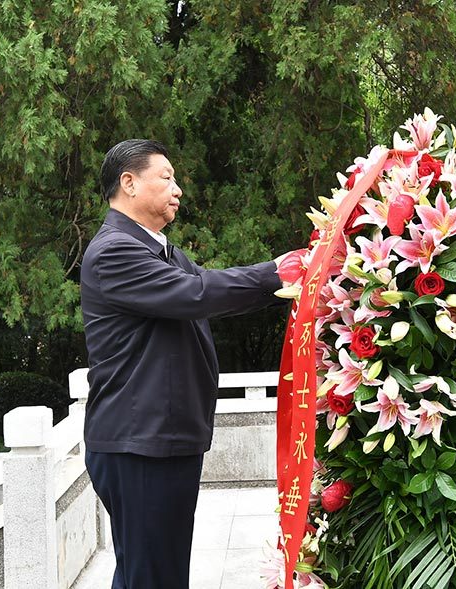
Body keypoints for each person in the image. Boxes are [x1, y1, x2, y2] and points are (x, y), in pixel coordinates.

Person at [80, 139, 298, 588]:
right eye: (167, 177)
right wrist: (278, 271)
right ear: (129, 182)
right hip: (138, 443)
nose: (178, 189)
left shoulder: (164, 252)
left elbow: (212, 292)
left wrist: (290, 284)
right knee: (151, 576)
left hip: (163, 439)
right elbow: (196, 294)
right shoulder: (115, 251)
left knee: (159, 572)